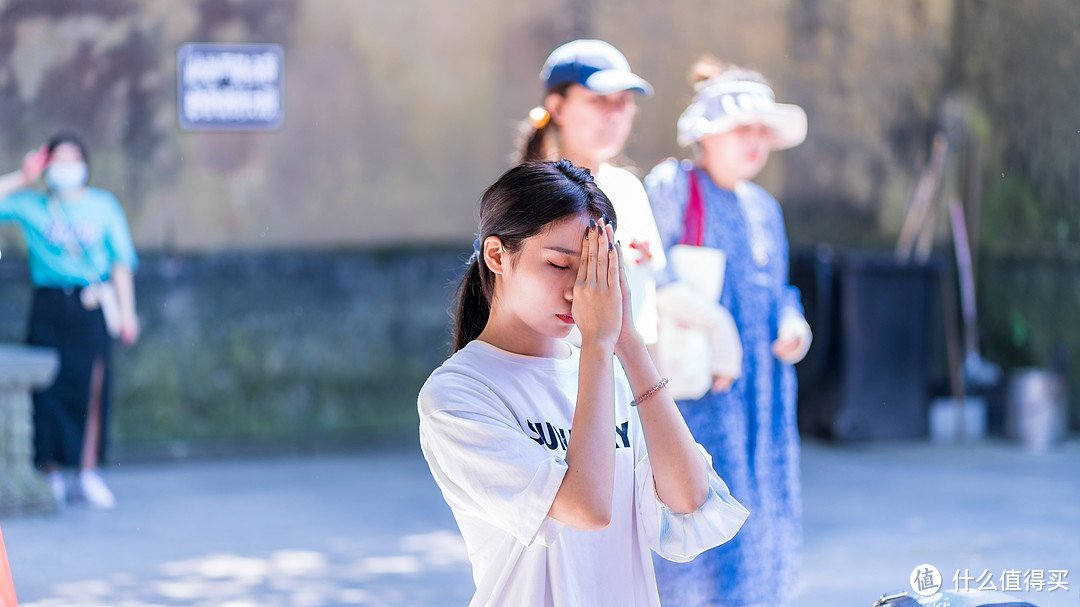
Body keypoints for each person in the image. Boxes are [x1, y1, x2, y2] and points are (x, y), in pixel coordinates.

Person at [418, 160, 749, 607]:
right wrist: (597, 343)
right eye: (559, 264)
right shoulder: (457, 395)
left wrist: (627, 341)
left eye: (595, 268)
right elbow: (586, 508)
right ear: (497, 256)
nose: (580, 290)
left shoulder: (605, 368)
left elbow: (690, 498)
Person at [645, 58, 812, 607]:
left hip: (764, 396)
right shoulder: (674, 187)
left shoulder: (766, 208)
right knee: (697, 519)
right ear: (707, 133)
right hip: (702, 392)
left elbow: (779, 289)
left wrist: (793, 322)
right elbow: (647, 273)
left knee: (761, 518)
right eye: (744, 128)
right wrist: (716, 328)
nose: (756, 142)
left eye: (764, 131)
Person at [0, 132, 139, 510]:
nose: (66, 167)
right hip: (48, 302)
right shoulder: (31, 205)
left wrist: (127, 313)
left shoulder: (103, 206)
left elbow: (121, 262)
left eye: (72, 159)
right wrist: (22, 177)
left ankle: (87, 472)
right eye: (57, 160)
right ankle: (49, 472)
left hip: (91, 303)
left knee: (90, 388)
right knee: (46, 391)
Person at [520, 39, 667, 350]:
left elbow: (646, 317)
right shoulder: (537, 196)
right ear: (557, 107)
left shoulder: (629, 188)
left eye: (623, 101)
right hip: (567, 385)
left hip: (632, 384)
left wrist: (657, 393)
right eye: (599, 100)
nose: (614, 114)